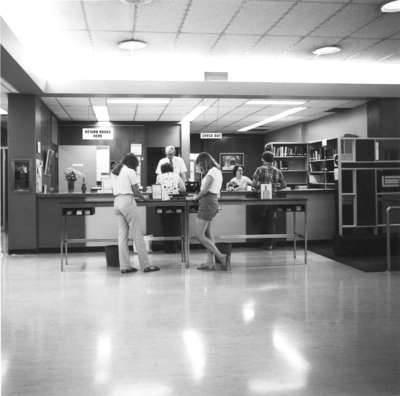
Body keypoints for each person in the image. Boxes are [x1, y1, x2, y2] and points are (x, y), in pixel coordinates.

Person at [111, 153, 159, 274]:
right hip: (127, 201)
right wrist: (144, 198)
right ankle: (146, 265)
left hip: (116, 202)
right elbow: (136, 191)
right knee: (137, 233)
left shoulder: (115, 171)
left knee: (122, 237)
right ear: (133, 163)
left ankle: (125, 266)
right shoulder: (130, 171)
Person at [193, 152, 230, 271]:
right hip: (211, 202)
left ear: (204, 162)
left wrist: (195, 197)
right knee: (208, 234)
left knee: (199, 235)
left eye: (199, 164)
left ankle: (221, 257)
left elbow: (205, 190)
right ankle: (210, 263)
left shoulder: (212, 172)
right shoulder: (216, 171)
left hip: (207, 202)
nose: (198, 167)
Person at [252, 151, 287, 250]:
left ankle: (264, 242)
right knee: (271, 221)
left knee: (261, 219)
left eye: (262, 158)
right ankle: (270, 244)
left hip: (262, 197)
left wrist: (261, 186)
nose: (261, 160)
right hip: (274, 198)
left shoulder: (259, 170)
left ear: (264, 159)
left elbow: (253, 184)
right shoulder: (277, 170)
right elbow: (284, 185)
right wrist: (275, 187)